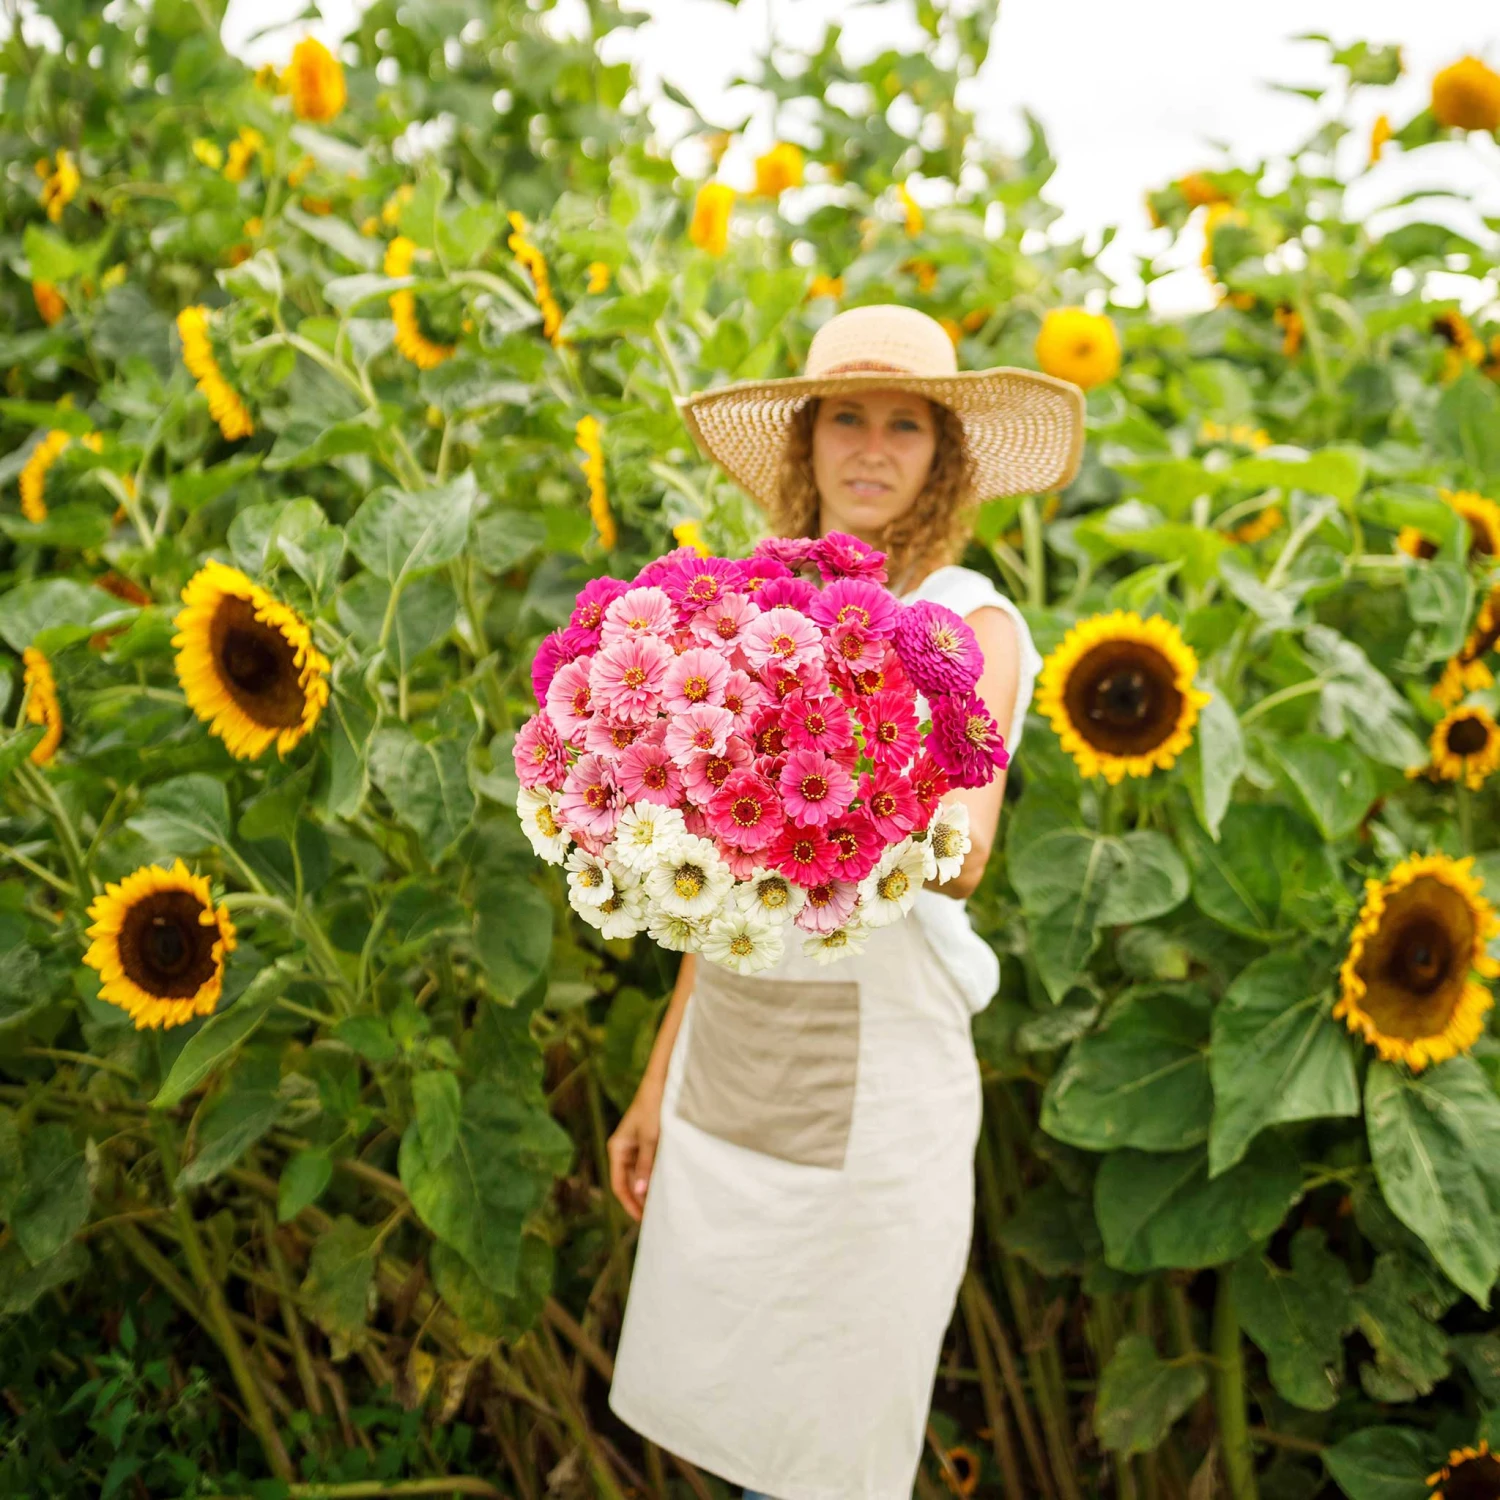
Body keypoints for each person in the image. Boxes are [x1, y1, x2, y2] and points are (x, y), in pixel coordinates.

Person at [605, 303, 1085, 1500]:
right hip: (729, 1066)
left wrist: (833, 786)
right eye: (847, 420)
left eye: (905, 426)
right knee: (733, 1426)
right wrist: (657, 1081)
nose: (873, 449)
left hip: (881, 1100)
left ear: (942, 456)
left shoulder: (968, 618)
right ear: (806, 440)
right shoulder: (747, 614)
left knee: (824, 1451)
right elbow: (715, 890)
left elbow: (965, 852)